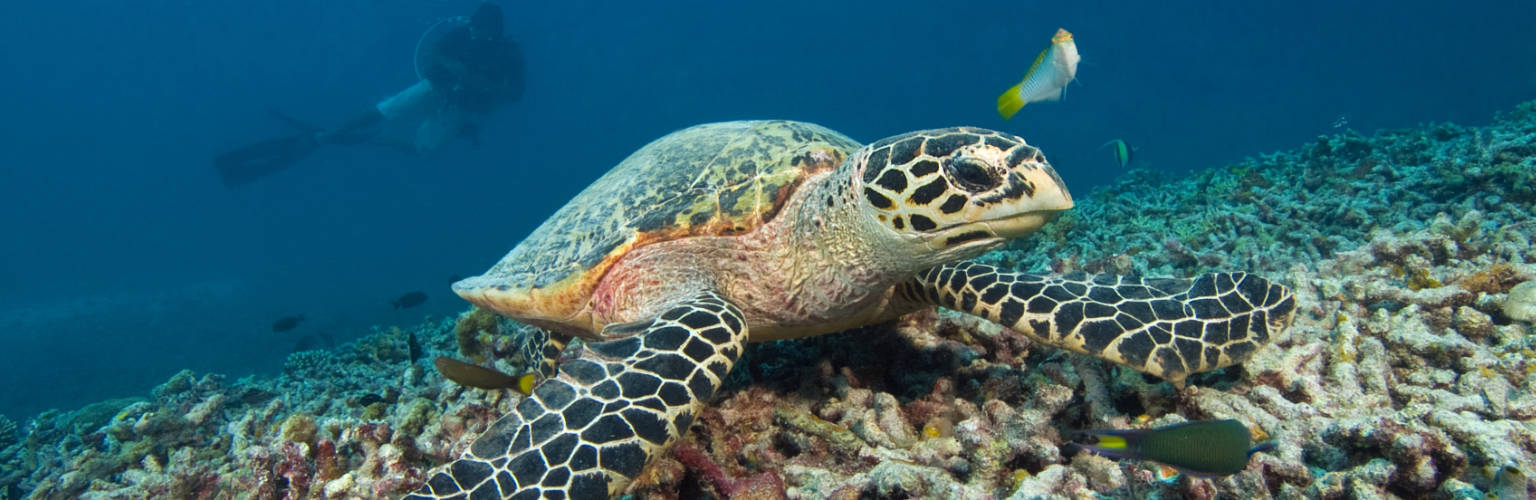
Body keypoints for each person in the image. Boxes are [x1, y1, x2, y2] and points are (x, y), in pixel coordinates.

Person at [215, 2, 523, 188]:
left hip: (462, 105)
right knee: (388, 108)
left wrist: (487, 86)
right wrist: (455, 68)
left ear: (496, 30)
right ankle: (331, 134)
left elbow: (515, 92)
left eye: (486, 29)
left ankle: (370, 138)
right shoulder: (460, 36)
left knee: (422, 148)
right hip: (438, 87)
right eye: (478, 27)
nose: (480, 33)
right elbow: (436, 52)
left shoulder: (508, 54)